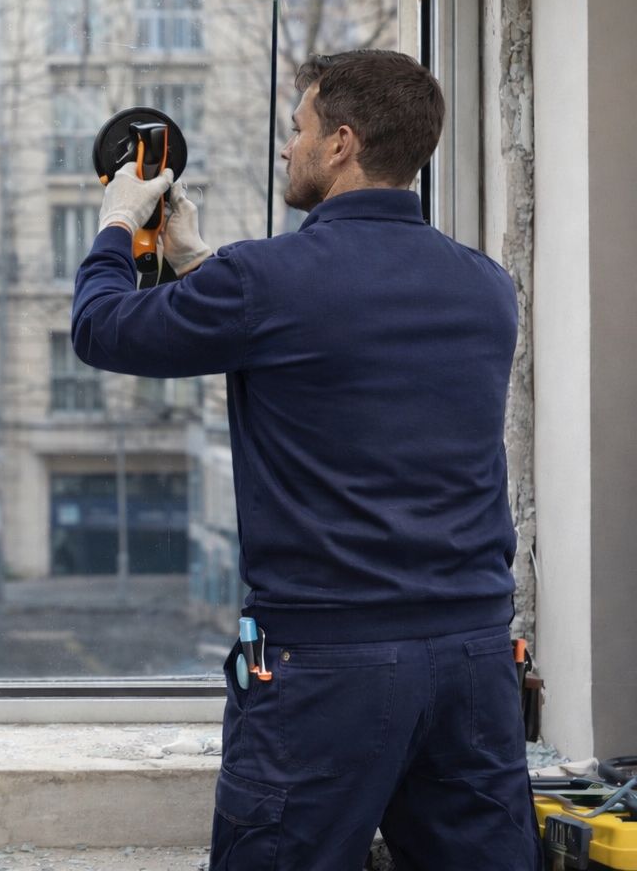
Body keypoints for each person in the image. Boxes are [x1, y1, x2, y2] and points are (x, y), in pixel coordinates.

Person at [72, 50, 539, 870]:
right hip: (472, 663)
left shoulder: (270, 280)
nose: (288, 148)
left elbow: (102, 329)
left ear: (341, 145)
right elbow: (327, 344)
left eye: (298, 130)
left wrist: (119, 219)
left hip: (328, 672)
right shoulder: (487, 287)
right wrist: (194, 258)